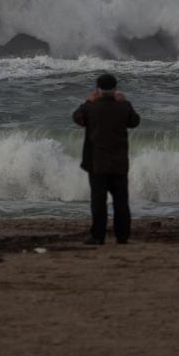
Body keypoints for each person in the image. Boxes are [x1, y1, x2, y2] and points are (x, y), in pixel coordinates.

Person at [72, 73, 140, 245]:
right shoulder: (123, 107)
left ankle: (98, 236)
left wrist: (88, 101)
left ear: (98, 89)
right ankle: (122, 237)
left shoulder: (91, 108)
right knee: (121, 202)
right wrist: (124, 102)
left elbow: (77, 118)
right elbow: (134, 122)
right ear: (115, 88)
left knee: (98, 202)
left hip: (97, 163)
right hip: (119, 163)